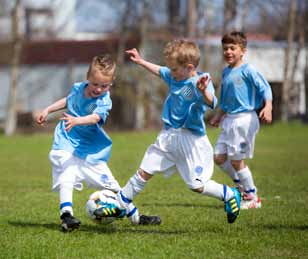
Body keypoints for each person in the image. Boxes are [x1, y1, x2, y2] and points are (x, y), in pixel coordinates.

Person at [117, 39, 241, 224]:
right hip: (168, 136)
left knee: (196, 185)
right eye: (171, 69)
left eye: (174, 69)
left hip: (191, 140)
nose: (170, 73)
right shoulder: (175, 76)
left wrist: (203, 92)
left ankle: (230, 194)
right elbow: (160, 70)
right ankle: (120, 204)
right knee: (145, 170)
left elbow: (212, 103)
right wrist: (141, 61)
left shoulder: (200, 81)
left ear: (189, 67)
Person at [36, 54, 160, 231]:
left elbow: (95, 118)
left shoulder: (104, 101)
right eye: (95, 84)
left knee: (116, 189)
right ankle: (67, 216)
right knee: (67, 173)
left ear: (111, 83)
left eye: (104, 86)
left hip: (91, 151)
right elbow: (68, 100)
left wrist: (77, 120)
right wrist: (48, 109)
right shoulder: (78, 88)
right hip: (67, 142)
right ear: (88, 78)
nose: (99, 89)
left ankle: (137, 218)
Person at [209, 31, 273, 209]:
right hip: (228, 119)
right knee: (219, 157)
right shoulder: (226, 72)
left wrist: (268, 106)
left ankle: (252, 198)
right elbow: (226, 99)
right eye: (225, 48)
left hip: (245, 119)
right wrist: (219, 114)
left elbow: (265, 89)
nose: (228, 52)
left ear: (242, 50)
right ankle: (240, 185)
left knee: (237, 160)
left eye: (232, 48)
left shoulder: (248, 70)